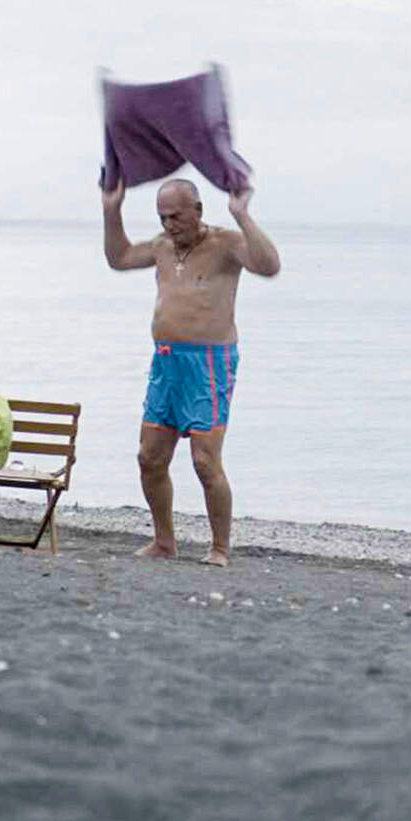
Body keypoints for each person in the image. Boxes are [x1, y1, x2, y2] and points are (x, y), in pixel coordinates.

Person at [102, 177, 280, 566]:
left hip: (209, 364)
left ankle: (220, 548)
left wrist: (241, 215)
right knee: (149, 457)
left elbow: (269, 265)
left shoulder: (225, 244)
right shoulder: (162, 247)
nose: (169, 225)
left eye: (176, 217)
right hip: (167, 362)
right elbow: (119, 258)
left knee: (205, 461)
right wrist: (111, 209)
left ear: (197, 210)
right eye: (163, 218)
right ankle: (164, 542)